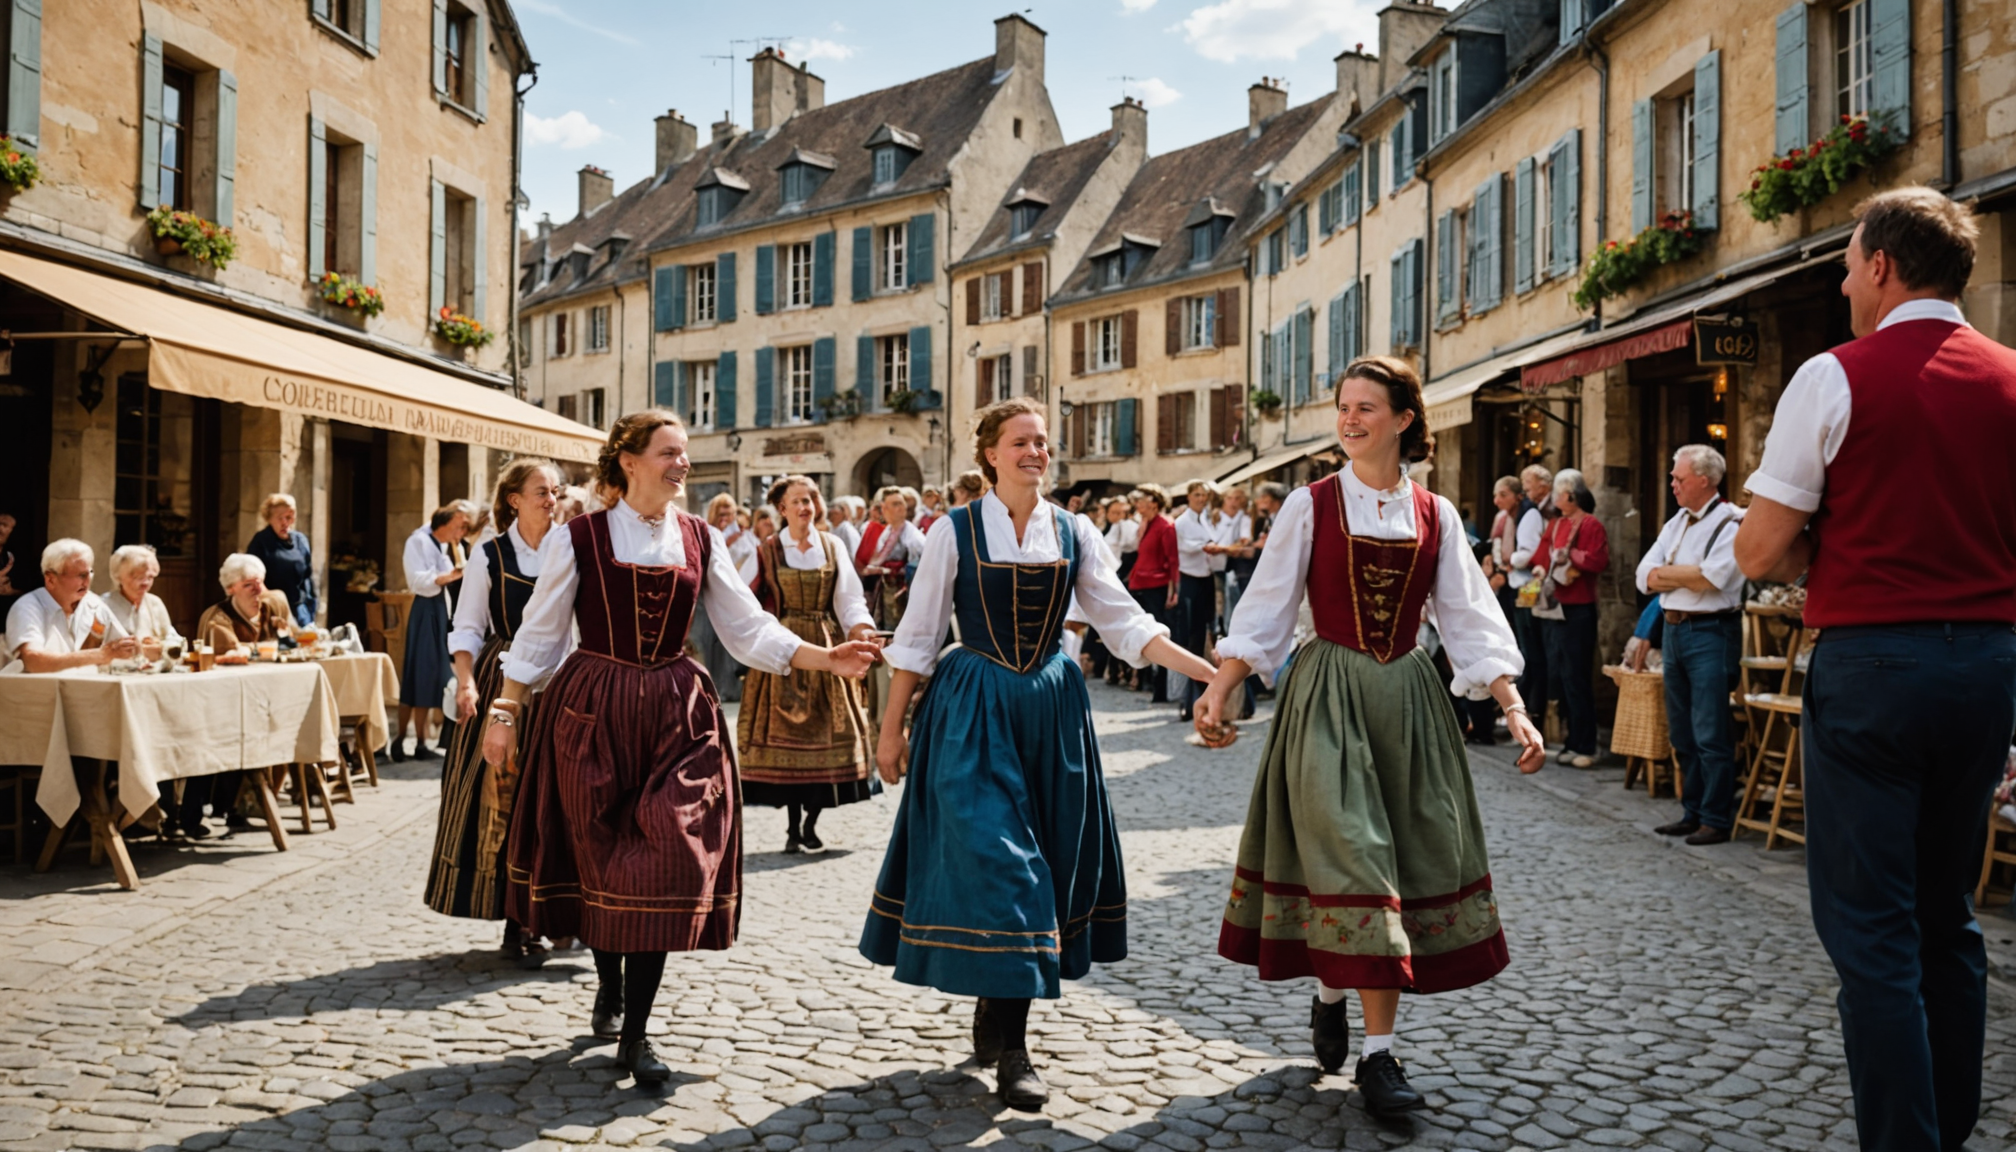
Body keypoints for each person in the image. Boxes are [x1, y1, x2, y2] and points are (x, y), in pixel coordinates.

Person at [1733, 189, 2016, 1152]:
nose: (1845, 281)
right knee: (1950, 917)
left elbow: (1762, 552)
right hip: (1984, 663)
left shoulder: (1834, 374)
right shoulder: (2014, 377)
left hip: (1873, 660)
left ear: (1885, 267)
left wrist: (1837, 537)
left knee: (1873, 931)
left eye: (1850, 264)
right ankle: (1950, 1126)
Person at [1194, 356, 1544, 1117]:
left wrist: (1512, 704)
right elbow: (1267, 609)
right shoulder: (1308, 506)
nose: (1349, 420)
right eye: (1343, 407)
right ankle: (1345, 1012)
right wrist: (1221, 688)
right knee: (1352, 853)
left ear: (1404, 420)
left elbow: (1470, 616)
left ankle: (1373, 1043)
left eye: (1365, 408)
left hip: (1410, 704)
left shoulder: (1436, 514)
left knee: (1401, 860)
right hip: (1327, 699)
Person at [489, 410, 876, 1085]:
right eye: (669, 452)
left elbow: (746, 627)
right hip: (594, 708)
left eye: (686, 453)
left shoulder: (700, 537)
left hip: (677, 712)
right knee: (599, 859)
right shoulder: (576, 537)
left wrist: (825, 657)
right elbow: (542, 634)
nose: (682, 464)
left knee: (668, 855)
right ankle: (609, 983)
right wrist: (505, 711)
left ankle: (635, 1035)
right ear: (628, 460)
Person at [861, 398, 1217, 1112]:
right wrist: (891, 729)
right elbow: (920, 637)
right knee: (1001, 861)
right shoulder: (953, 531)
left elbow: (1122, 621)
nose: (1036, 454)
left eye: (1043, 443)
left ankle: (1004, 1012)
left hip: (1051, 712)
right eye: (1022, 442)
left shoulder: (1075, 529)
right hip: (972, 709)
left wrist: (1213, 674)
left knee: (1044, 862)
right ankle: (1015, 1048)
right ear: (990, 452)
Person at [426, 458, 565, 966]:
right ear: (514, 499)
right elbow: (466, 627)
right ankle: (517, 920)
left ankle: (557, 911)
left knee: (556, 800)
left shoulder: (571, 546)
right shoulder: (490, 554)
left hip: (558, 682)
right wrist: (466, 684)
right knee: (502, 800)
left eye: (556, 490)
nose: (552, 499)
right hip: (502, 678)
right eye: (541, 491)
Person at [739, 476, 879, 855]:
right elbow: (744, 600)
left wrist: (862, 629)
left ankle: (811, 823)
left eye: (811, 500)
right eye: (798, 501)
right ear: (782, 509)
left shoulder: (832, 546)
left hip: (826, 644)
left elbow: (850, 600)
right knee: (790, 736)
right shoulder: (766, 549)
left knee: (824, 734)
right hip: (784, 650)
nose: (807, 507)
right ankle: (791, 827)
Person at [1636, 445, 1745, 846]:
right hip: (1675, 629)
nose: (1673, 484)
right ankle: (1692, 810)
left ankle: (1716, 817)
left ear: (1704, 480)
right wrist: (1683, 575)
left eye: (1679, 478)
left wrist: (1669, 575)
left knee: (1711, 729)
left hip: (1711, 631)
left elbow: (1712, 579)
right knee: (1682, 730)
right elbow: (1642, 575)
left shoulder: (1732, 523)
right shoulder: (1677, 521)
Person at [1531, 469, 1608, 768]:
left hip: (1578, 608)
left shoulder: (1591, 525)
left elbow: (1598, 560)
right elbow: (1541, 556)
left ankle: (1586, 744)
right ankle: (1571, 741)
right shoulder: (1556, 523)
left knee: (1577, 676)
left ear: (1572, 495)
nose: (1555, 498)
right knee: (1560, 675)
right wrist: (1540, 569)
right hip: (1554, 606)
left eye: (1559, 493)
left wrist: (1571, 555)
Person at [393, 504, 469, 762]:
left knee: (431, 674)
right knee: (419, 674)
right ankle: (403, 739)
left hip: (438, 611)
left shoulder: (443, 545)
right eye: (458, 526)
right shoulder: (418, 541)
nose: (460, 531)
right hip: (426, 610)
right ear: (445, 524)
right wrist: (451, 576)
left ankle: (422, 741)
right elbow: (419, 580)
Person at [5, 540, 140, 672]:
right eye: (81, 575)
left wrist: (135, 649)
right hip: (37, 692)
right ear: (51, 579)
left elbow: (125, 651)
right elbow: (32, 661)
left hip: (84, 691)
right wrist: (100, 655)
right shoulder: (28, 606)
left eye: (90, 573)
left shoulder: (93, 603)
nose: (88, 581)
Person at [1124, 485, 1178, 702]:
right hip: (1141, 583)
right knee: (1142, 633)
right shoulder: (1145, 524)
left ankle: (1161, 689)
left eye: (1141, 502)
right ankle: (1146, 682)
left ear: (1154, 503)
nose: (1137, 506)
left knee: (1158, 636)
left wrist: (1173, 591)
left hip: (1157, 585)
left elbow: (1173, 560)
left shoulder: (1165, 525)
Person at [245, 494, 317, 629]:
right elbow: (252, 579)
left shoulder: (301, 541)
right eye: (280, 518)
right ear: (269, 519)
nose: (285, 522)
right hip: (273, 612)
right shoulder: (261, 542)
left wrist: (310, 610)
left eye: (289, 517)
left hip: (300, 612)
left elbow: (308, 579)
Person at [195, 553, 292, 653]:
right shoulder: (216, 618)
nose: (258, 590)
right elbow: (228, 653)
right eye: (248, 585)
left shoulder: (275, 606)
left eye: (259, 582)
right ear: (230, 588)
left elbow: (297, 640)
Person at [105, 544, 182, 651]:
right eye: (138, 577)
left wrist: (161, 644)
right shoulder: (104, 606)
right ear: (119, 576)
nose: (145, 583)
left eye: (150, 577)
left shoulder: (155, 603)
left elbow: (173, 639)